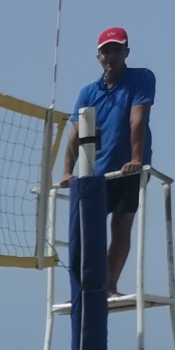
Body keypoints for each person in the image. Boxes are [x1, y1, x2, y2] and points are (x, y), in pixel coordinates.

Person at [60, 27, 154, 297]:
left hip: (128, 169)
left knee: (121, 227)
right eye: (105, 50)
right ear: (98, 57)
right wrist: (67, 171)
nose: (110, 55)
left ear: (126, 52)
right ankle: (91, 286)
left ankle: (110, 286)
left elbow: (138, 119)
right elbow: (75, 135)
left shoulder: (141, 78)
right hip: (96, 172)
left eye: (115, 49)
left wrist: (136, 159)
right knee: (90, 230)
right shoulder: (88, 92)